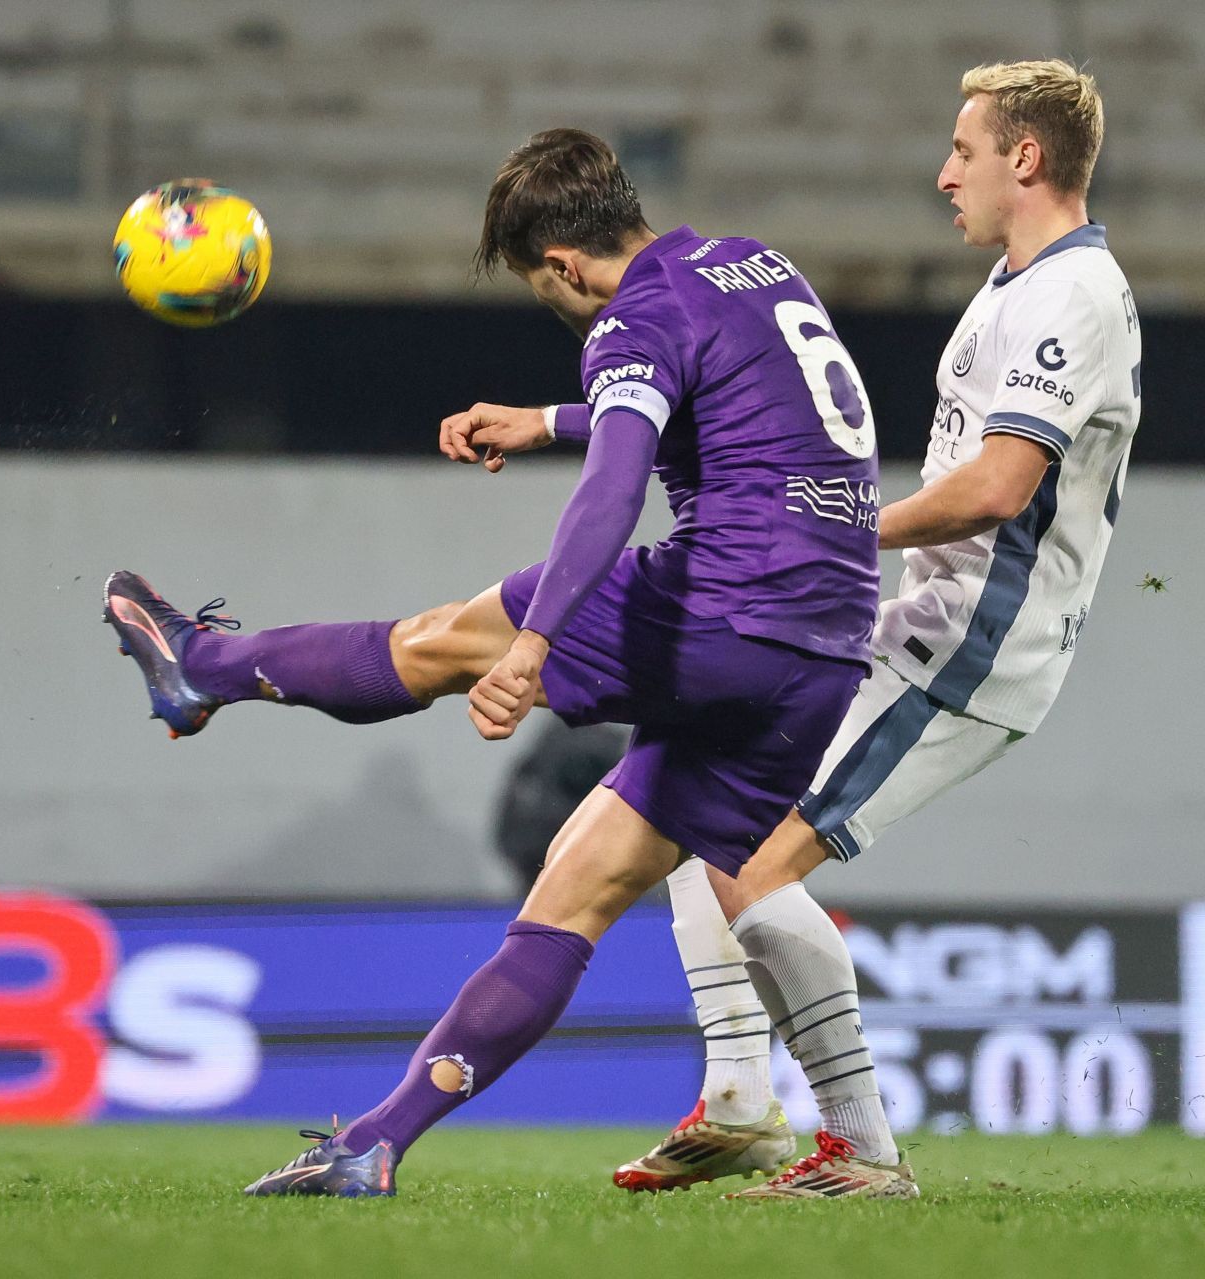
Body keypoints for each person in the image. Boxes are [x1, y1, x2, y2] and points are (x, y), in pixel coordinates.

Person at [101, 128, 882, 1197]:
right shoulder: (748, 263)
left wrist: (535, 642)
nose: (556, 306)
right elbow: (710, 397)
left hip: (729, 599)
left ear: (562, 264)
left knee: (441, 642)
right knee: (577, 886)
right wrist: (547, 417)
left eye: (539, 288)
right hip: (825, 645)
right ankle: (374, 1143)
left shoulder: (630, 321)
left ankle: (205, 665)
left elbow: (613, 489)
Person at [614, 59, 1138, 1199]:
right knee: (700, 798)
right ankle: (751, 1099)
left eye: (963, 149)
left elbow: (1000, 487)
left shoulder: (1070, 297)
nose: (944, 171)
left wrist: (843, 534)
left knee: (745, 854)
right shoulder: (1017, 283)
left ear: (1027, 160)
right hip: (926, 620)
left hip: (974, 646)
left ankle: (851, 1142)